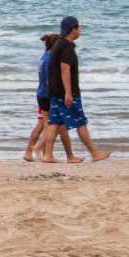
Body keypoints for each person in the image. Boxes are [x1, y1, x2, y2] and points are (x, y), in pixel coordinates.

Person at [40, 16, 111, 163]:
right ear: (73, 29)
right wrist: (68, 92)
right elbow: (64, 69)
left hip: (54, 91)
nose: (80, 30)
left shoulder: (58, 43)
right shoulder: (66, 46)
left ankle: (47, 155)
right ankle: (94, 153)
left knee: (54, 122)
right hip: (65, 92)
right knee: (80, 121)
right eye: (79, 27)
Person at [24, 33, 81, 162]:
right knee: (57, 126)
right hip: (48, 96)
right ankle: (62, 155)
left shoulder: (44, 56)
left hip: (41, 94)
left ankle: (32, 152)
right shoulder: (51, 60)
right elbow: (51, 81)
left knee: (43, 125)